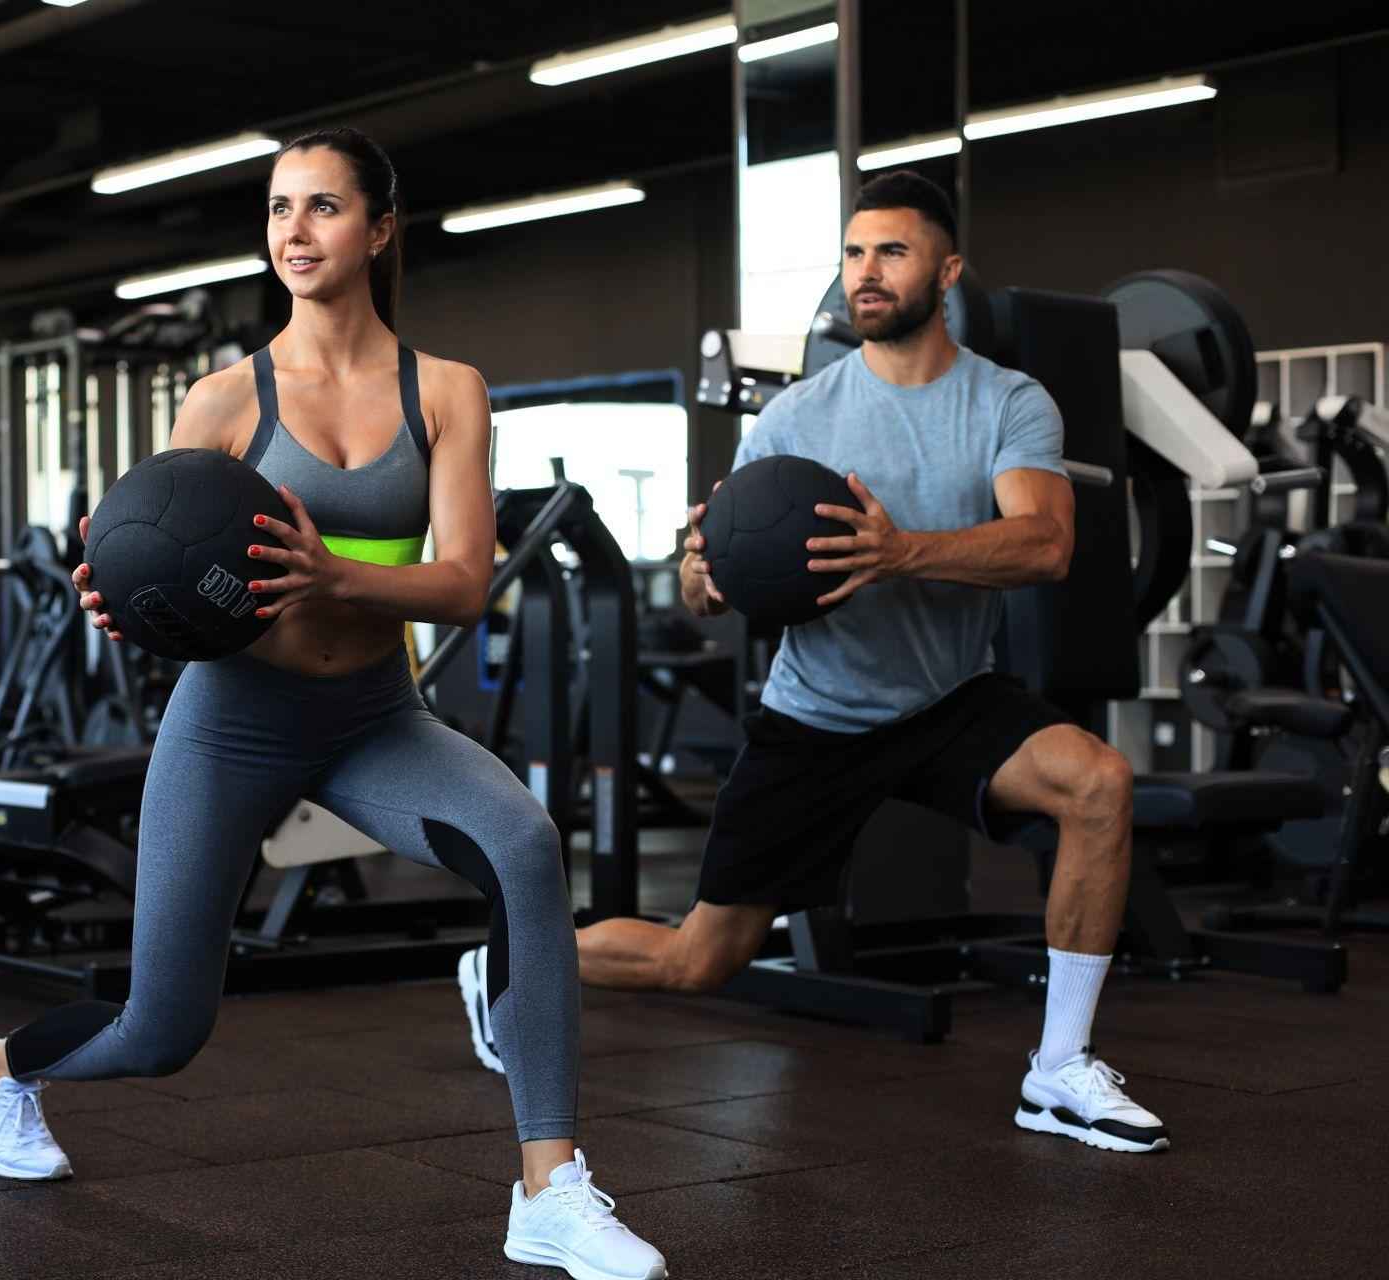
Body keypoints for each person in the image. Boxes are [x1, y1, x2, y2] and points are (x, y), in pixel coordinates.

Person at [0, 127, 667, 1280]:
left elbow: (464, 582)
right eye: (281, 208)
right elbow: (151, 564)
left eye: (325, 207)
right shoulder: (225, 399)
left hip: (375, 719)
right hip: (231, 719)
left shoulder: (446, 391)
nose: (296, 230)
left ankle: (548, 1187)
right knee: (160, 1030)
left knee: (528, 844)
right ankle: (2, 1068)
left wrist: (336, 572)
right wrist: (118, 600)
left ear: (380, 228)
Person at [461, 170, 1168, 1156]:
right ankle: (505, 964)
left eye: (893, 251)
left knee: (1097, 782)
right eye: (853, 254)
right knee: (699, 960)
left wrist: (901, 551)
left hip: (947, 698)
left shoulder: (1009, 400)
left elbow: (1044, 543)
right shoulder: (797, 417)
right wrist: (709, 565)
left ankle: (1057, 1069)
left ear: (948, 269)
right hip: (818, 714)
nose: (865, 275)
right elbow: (710, 586)